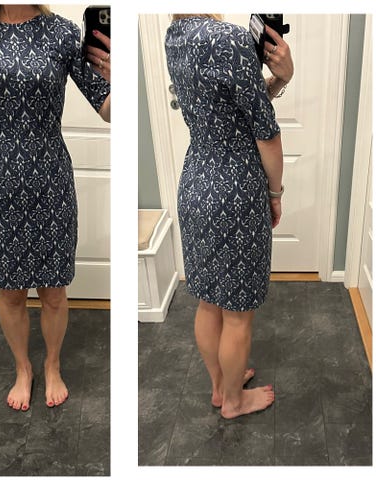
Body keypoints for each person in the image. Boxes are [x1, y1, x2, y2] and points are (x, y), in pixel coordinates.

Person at [0, 4, 110, 411]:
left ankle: (52, 364)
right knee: (10, 290)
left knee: (54, 289)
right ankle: (22, 367)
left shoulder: (62, 33)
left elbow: (107, 110)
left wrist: (114, 79)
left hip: (50, 176)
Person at [165, 14, 293, 419]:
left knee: (209, 302)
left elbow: (232, 109)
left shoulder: (175, 36)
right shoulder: (232, 39)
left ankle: (222, 386)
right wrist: (275, 194)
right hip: (235, 191)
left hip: (196, 183)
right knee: (237, 314)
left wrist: (278, 81)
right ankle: (236, 402)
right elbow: (266, 134)